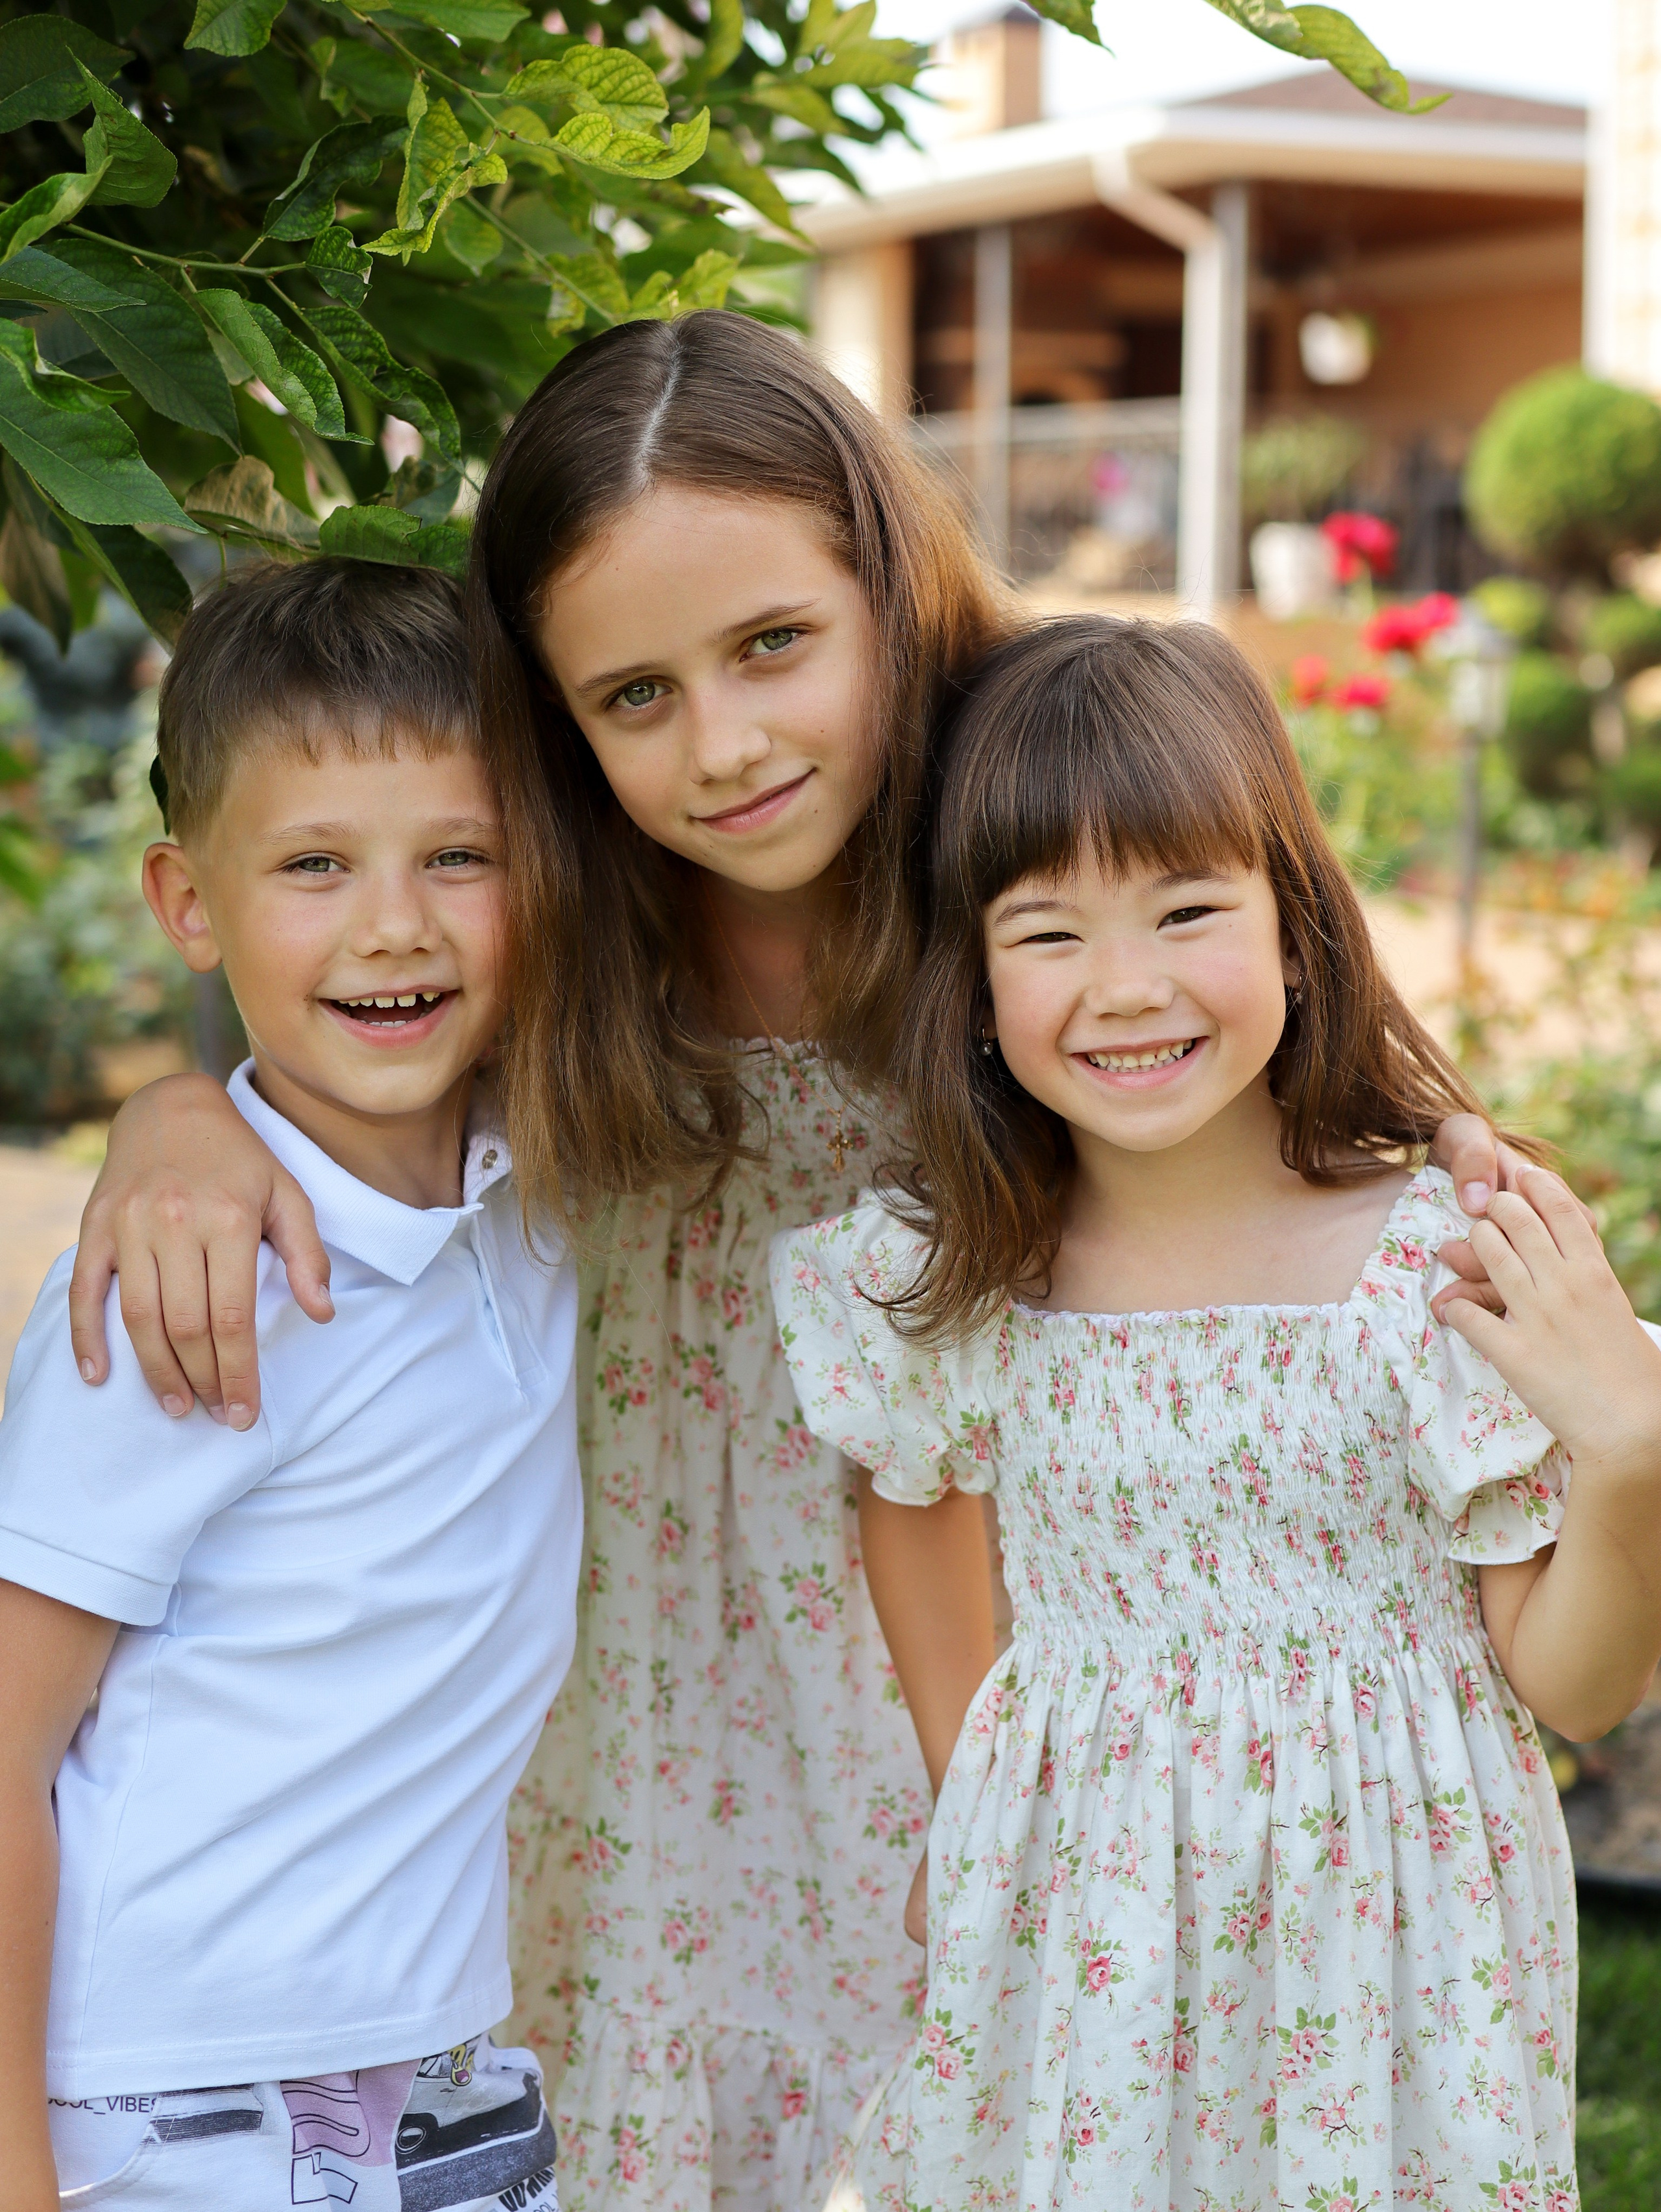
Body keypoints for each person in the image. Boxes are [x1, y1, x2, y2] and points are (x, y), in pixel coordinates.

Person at [56, 314, 1522, 2211]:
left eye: (773, 648)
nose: (724, 745)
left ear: (891, 595)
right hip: (618, 1743)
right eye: (633, 694)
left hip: (969, 1708)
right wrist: (176, 1122)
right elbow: (347, 1044)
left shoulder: (1027, 875)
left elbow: (1293, 1068)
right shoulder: (556, 927)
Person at [771, 616, 1661, 2210]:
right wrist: (960, 1784)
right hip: (1082, 1910)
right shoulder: (960, 1273)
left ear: (1295, 933)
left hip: (1388, 1938)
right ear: (971, 981)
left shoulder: (1423, 1272)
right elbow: (911, 1501)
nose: (1125, 987)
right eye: (1047, 933)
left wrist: (1629, 1456)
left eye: (1186, 909)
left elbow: (1578, 1686)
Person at [0, 559, 579, 2211]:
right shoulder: (183, 1284)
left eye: (457, 856)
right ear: (188, 902)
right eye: (314, 865)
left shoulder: (530, 1190)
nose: (393, 924)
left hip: (436, 2061)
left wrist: (167, 1102)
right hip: (174, 2095)